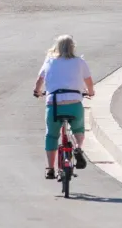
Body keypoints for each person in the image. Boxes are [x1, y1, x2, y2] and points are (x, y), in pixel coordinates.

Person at [33, 35, 95, 179]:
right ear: (73, 47)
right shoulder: (80, 62)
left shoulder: (49, 61)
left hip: (54, 104)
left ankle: (50, 169)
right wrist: (90, 92)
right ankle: (78, 148)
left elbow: (39, 80)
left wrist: (37, 92)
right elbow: (89, 82)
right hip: (74, 103)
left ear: (57, 47)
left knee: (52, 135)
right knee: (78, 130)